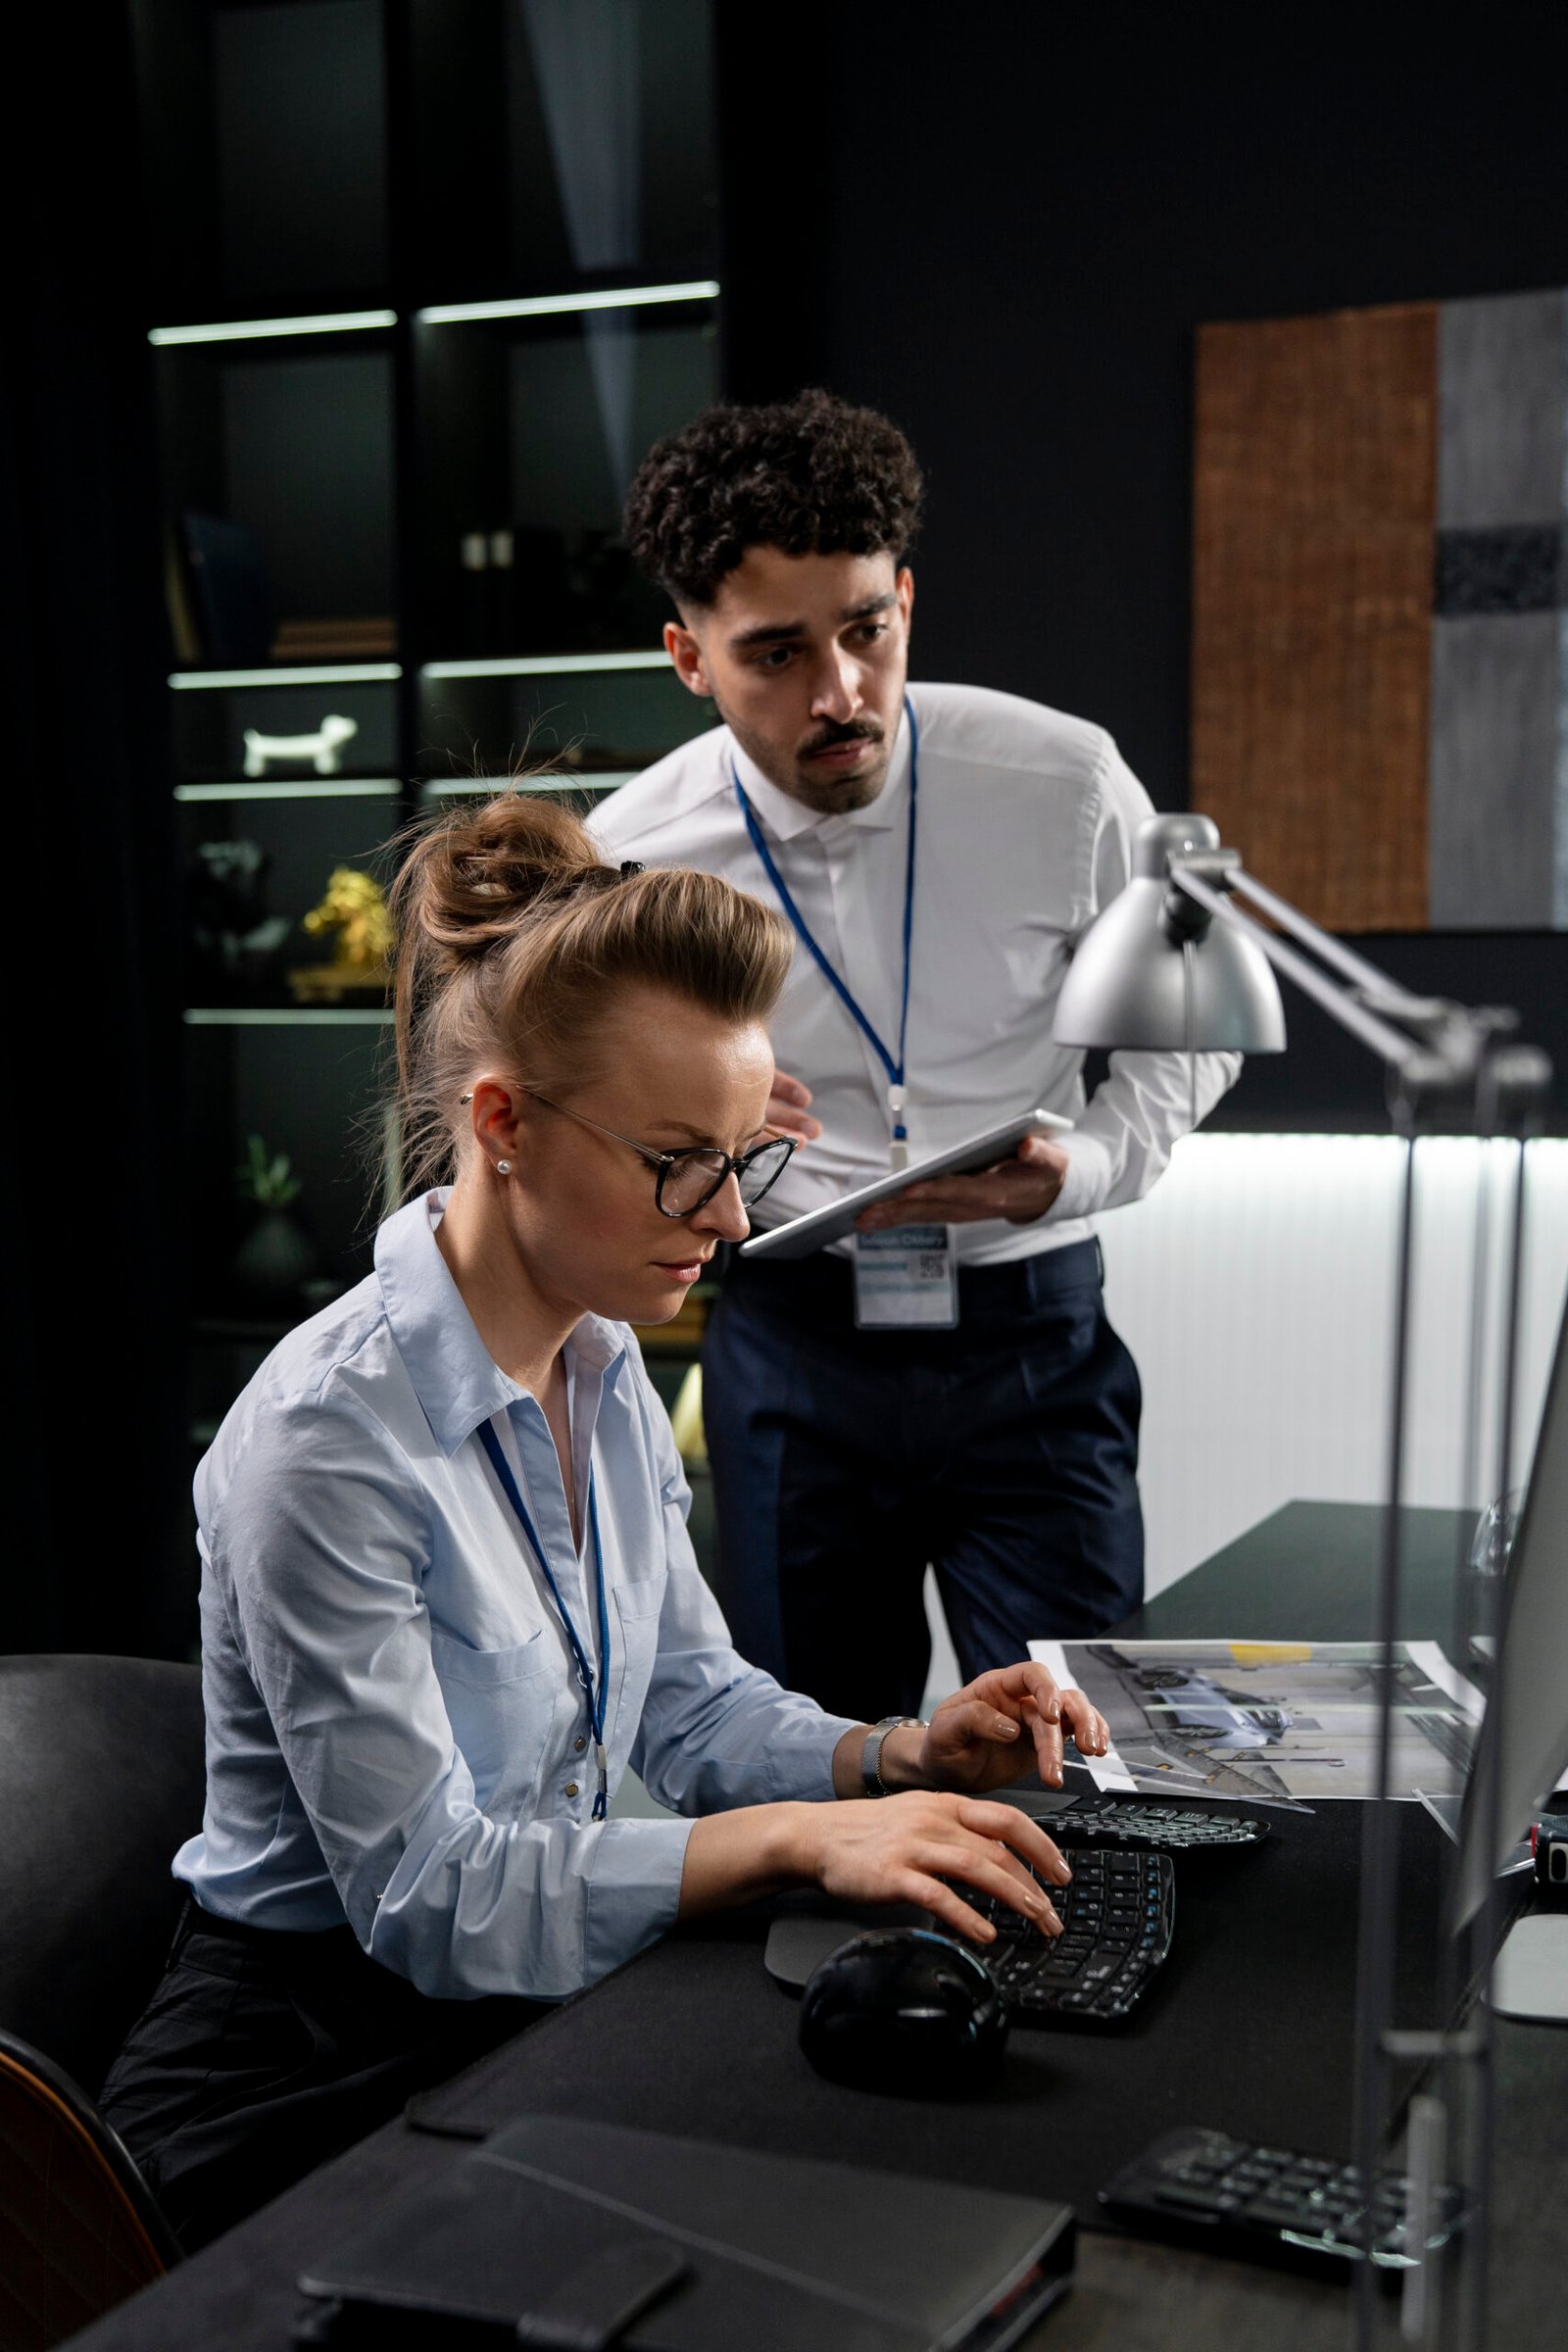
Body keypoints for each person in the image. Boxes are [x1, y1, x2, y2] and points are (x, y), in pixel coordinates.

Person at [100, 793, 1109, 2251]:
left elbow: (690, 1703)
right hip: (286, 2084)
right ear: (501, 1122)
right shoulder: (326, 1439)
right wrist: (800, 1840)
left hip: (505, 2008)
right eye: (679, 1162)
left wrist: (897, 1753)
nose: (734, 1220)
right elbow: (434, 1897)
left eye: (743, 1159)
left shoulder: (604, 1360)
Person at [590, 388, 1241, 1724]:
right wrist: (693, 1133)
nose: (840, 694)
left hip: (1031, 1335)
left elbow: (1197, 1021)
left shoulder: (1066, 780)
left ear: (904, 599)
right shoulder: (630, 855)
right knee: (815, 1755)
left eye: (865, 631)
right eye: (776, 655)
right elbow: (577, 1117)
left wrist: (1089, 1165)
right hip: (792, 1347)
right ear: (689, 658)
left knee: (1081, 1752)